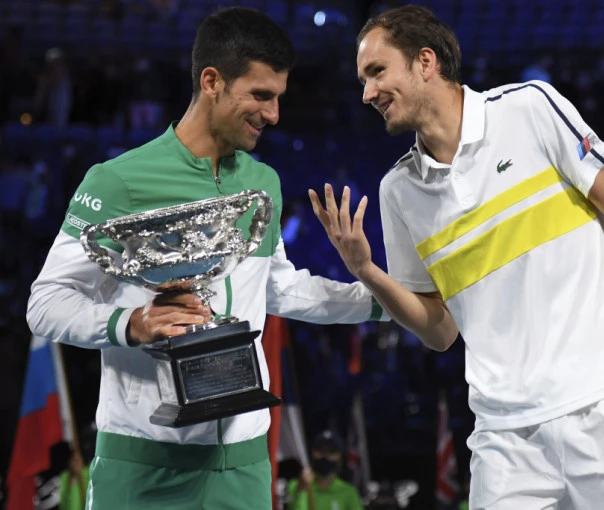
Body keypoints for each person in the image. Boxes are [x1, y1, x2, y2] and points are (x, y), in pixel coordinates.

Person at [308, 5, 604, 509]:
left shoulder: (529, 109)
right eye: (363, 80)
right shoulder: (398, 191)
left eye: (377, 71)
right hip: (505, 437)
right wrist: (366, 271)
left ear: (425, 62)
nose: (367, 93)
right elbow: (440, 332)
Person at [26, 8, 385, 510]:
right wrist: (131, 323)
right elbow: (45, 303)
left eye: (278, 97)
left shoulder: (261, 184)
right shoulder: (117, 181)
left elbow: (278, 289)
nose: (273, 114)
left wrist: (387, 299)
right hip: (142, 465)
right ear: (211, 81)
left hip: (243, 467)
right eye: (260, 95)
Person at [286, 431, 364, 510]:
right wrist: (302, 490)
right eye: (321, 451)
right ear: (312, 453)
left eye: (331, 452)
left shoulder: (349, 492)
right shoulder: (294, 486)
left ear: (340, 456)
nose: (325, 456)